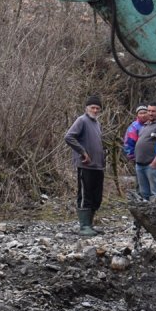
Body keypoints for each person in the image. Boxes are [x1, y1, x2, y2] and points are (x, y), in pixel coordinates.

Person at [64, 95, 105, 236]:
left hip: (98, 166)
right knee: (85, 195)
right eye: (92, 107)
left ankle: (90, 224)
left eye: (97, 108)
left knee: (96, 197)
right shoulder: (82, 120)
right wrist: (82, 152)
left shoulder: (97, 123)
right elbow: (69, 137)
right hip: (86, 165)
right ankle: (84, 226)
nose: (95, 110)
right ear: (86, 108)